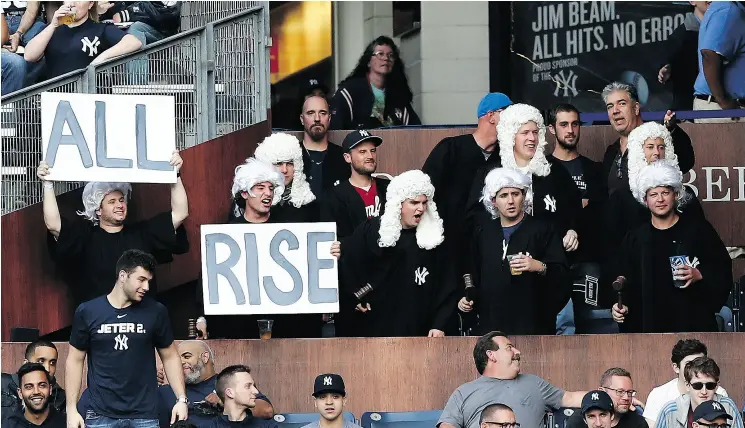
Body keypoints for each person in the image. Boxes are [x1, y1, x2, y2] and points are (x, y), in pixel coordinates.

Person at [37, 151, 189, 306]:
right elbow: (53, 225)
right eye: (112, 201)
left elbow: (180, 214)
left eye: (122, 200)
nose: (119, 205)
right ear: (98, 210)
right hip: (96, 324)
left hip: (141, 324)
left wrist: (175, 174)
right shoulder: (85, 238)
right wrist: (48, 184)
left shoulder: (141, 234)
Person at [65, 250, 188, 428]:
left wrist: (181, 399)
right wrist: (71, 409)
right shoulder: (88, 311)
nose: (146, 287)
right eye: (141, 279)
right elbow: (75, 360)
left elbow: (170, 356)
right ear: (123, 276)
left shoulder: (156, 311)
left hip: (144, 414)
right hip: (100, 414)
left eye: (148, 281)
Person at [423, 93, 512, 333]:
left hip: (486, 248)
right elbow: (423, 192)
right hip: (445, 246)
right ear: (491, 116)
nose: (513, 120)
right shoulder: (450, 148)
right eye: (508, 113)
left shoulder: (505, 158)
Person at [611, 161, 732, 332]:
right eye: (653, 194)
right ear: (645, 199)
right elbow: (625, 280)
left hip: (692, 326)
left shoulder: (698, 231)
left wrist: (700, 274)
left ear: (676, 194)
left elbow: (723, 269)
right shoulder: (636, 238)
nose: (660, 199)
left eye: (665, 193)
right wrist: (620, 307)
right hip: (648, 330)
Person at [339, 169, 454, 337]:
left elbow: (447, 285)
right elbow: (350, 262)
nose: (421, 209)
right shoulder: (373, 231)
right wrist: (356, 296)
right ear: (398, 204)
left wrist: (439, 324)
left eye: (424, 203)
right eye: (414, 203)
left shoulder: (434, 239)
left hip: (420, 331)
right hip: (376, 330)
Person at [459, 167, 568, 335]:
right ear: (493, 201)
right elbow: (471, 272)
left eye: (515, 194)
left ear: (524, 196)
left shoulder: (542, 229)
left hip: (533, 326)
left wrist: (539, 266)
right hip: (491, 326)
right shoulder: (483, 232)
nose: (510, 201)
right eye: (503, 195)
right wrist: (466, 300)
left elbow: (562, 275)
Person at [548, 103, 614, 334]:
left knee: (592, 321)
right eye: (563, 124)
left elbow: (600, 214)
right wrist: (581, 206)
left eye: (575, 124)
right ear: (551, 129)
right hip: (554, 262)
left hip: (589, 261)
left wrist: (582, 211)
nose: (570, 130)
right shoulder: (543, 170)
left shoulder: (594, 169)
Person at [437, 331, 587, 428]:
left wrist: (608, 394)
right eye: (509, 347)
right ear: (491, 355)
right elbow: (447, 426)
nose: (517, 352)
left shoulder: (534, 384)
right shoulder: (464, 392)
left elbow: (570, 398)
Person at [600, 82, 694, 195]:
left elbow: (686, 161)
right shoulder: (611, 152)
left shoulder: (656, 139)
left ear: (636, 108)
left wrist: (670, 131)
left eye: (622, 103)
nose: (615, 110)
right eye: (610, 106)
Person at [157, 340, 274, 428]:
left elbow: (266, 410)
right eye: (178, 358)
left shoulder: (228, 382)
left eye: (187, 356)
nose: (181, 362)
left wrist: (225, 401)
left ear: (205, 357)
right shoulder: (166, 391)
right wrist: (149, 384)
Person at [24, 1, 142, 80]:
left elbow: (134, 42)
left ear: (90, 4)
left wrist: (101, 58)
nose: (73, 3)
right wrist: (53, 24)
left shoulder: (99, 29)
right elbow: (29, 55)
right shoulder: (51, 30)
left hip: (89, 96)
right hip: (58, 96)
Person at [330, 35, 420, 129]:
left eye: (390, 55)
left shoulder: (398, 95)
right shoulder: (350, 91)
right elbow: (336, 127)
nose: (386, 58)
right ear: (368, 61)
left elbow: (416, 129)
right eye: (380, 54)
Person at [230, 133, 317, 223]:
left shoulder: (306, 200)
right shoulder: (247, 198)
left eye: (290, 163)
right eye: (278, 163)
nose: (284, 170)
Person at [320, 129, 389, 239]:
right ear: (348, 158)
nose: (370, 156)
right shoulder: (334, 196)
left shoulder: (389, 188)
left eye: (372, 150)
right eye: (362, 152)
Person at [643, 340, 728, 426]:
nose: (696, 369)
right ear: (676, 367)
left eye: (700, 364)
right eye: (689, 365)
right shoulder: (658, 395)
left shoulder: (720, 394)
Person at [654, 357, 743, 428]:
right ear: (687, 386)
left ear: (717, 386)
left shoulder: (728, 406)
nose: (704, 391)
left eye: (710, 386)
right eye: (697, 386)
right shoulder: (670, 411)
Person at [693, 1, 745, 122]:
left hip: (722, 108)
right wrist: (723, 100)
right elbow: (709, 54)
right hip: (723, 110)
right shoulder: (727, 9)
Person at [658, 2, 711, 111]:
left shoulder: (724, 28)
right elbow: (668, 63)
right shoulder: (680, 36)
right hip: (690, 111)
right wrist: (668, 68)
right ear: (692, 1)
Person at [301, 95, 350, 196]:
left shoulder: (343, 157)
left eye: (322, 113)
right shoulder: (291, 156)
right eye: (311, 113)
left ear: (329, 118)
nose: (317, 119)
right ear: (302, 119)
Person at [565, 368, 648, 428]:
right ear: (602, 391)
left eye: (629, 392)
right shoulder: (577, 421)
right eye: (620, 392)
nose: (626, 397)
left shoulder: (637, 423)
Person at [1, 340, 66, 413]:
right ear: (26, 363)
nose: (47, 368)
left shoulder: (60, 397)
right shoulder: (3, 383)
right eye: (41, 361)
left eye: (52, 363)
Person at [209, 365, 278, 428]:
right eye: (248, 386)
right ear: (230, 393)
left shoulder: (268, 426)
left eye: (253, 386)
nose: (256, 391)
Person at [1, 363, 65, 428]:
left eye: (42, 385)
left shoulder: (67, 423)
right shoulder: (8, 425)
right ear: (20, 393)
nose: (36, 392)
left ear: (50, 389)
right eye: (29, 387)